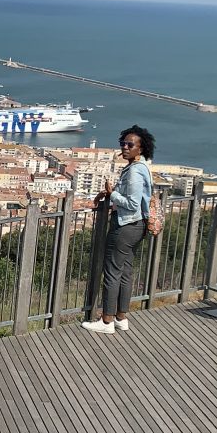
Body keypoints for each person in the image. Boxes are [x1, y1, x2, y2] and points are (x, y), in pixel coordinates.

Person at [87, 125, 158, 334]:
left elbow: (132, 203)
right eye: (123, 143)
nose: (125, 147)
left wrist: (112, 194)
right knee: (126, 272)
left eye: (130, 144)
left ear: (141, 148)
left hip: (126, 226)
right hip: (138, 226)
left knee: (112, 272)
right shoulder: (143, 167)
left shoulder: (135, 172)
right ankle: (121, 318)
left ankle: (106, 321)